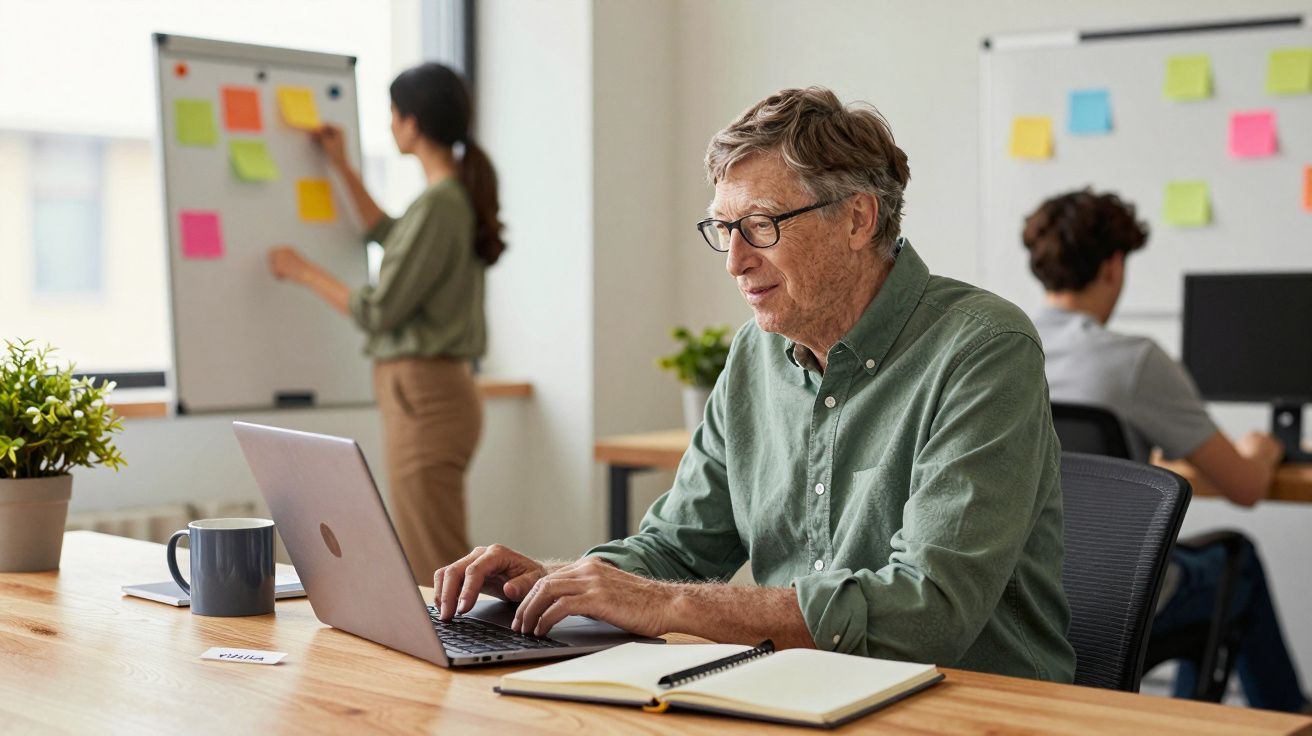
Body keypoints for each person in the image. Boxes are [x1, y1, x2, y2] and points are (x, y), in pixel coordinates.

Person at [433, 87, 1076, 681]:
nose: (736, 261)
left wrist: (669, 604)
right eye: (723, 228)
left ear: (857, 220)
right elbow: (679, 548)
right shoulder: (755, 352)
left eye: (762, 225)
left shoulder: (985, 348)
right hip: (799, 688)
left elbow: (927, 612)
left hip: (970, 703)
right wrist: (553, 580)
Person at [1023, 188, 1308, 712]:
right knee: (1234, 561)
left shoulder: (1001, 345)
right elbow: (1245, 487)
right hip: (1114, 599)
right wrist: (1262, 450)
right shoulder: (1133, 362)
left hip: (1024, 598)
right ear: (1113, 266)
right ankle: (1278, 719)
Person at [268, 62, 503, 583]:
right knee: (430, 554)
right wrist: (341, 165)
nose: (390, 125)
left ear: (412, 122)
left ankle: (464, 658)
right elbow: (387, 232)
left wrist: (301, 270)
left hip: (426, 396)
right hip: (428, 394)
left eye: (393, 114)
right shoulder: (442, 200)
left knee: (433, 561)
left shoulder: (442, 203)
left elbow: (378, 311)